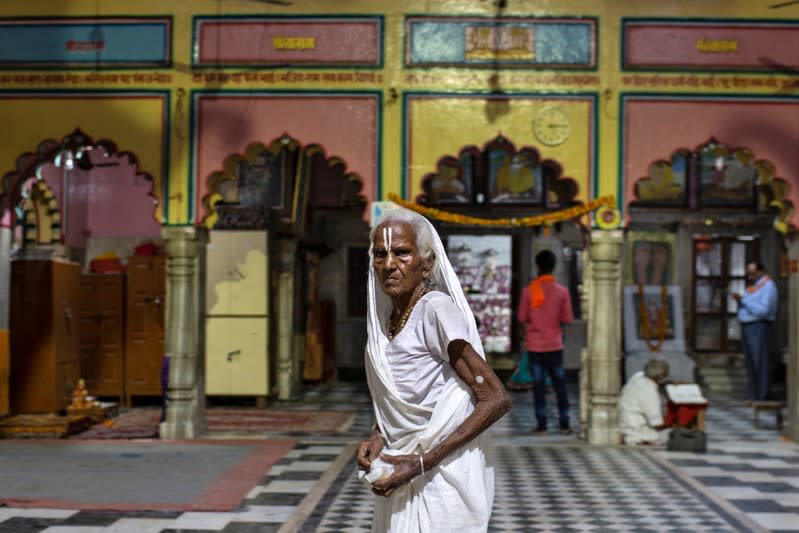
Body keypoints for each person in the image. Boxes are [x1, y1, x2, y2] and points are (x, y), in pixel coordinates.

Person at [356, 207, 512, 532]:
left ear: (426, 264)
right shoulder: (391, 318)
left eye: (401, 253)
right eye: (380, 254)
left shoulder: (435, 310)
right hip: (403, 465)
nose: (389, 265)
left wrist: (423, 461)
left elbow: (495, 398)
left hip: (438, 475)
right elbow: (413, 390)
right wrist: (379, 432)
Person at [517, 249, 574, 434]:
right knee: (559, 385)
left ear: (538, 266)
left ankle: (541, 424)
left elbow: (521, 317)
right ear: (554, 267)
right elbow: (567, 319)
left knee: (539, 386)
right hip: (555, 345)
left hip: (534, 346)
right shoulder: (562, 292)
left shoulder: (528, 291)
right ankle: (565, 424)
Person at [732, 261, 778, 402]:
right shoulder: (753, 287)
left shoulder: (768, 286)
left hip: (759, 327)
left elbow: (763, 311)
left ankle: (763, 396)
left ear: (760, 271)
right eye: (748, 273)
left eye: (752, 273)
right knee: (750, 364)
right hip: (747, 327)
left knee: (761, 363)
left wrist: (744, 300)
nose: (750, 276)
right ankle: (753, 396)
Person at [618, 359, 671, 445]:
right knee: (673, 434)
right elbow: (656, 423)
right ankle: (635, 439)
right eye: (665, 375)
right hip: (637, 430)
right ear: (660, 377)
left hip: (624, 425)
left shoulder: (637, 378)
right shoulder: (649, 388)